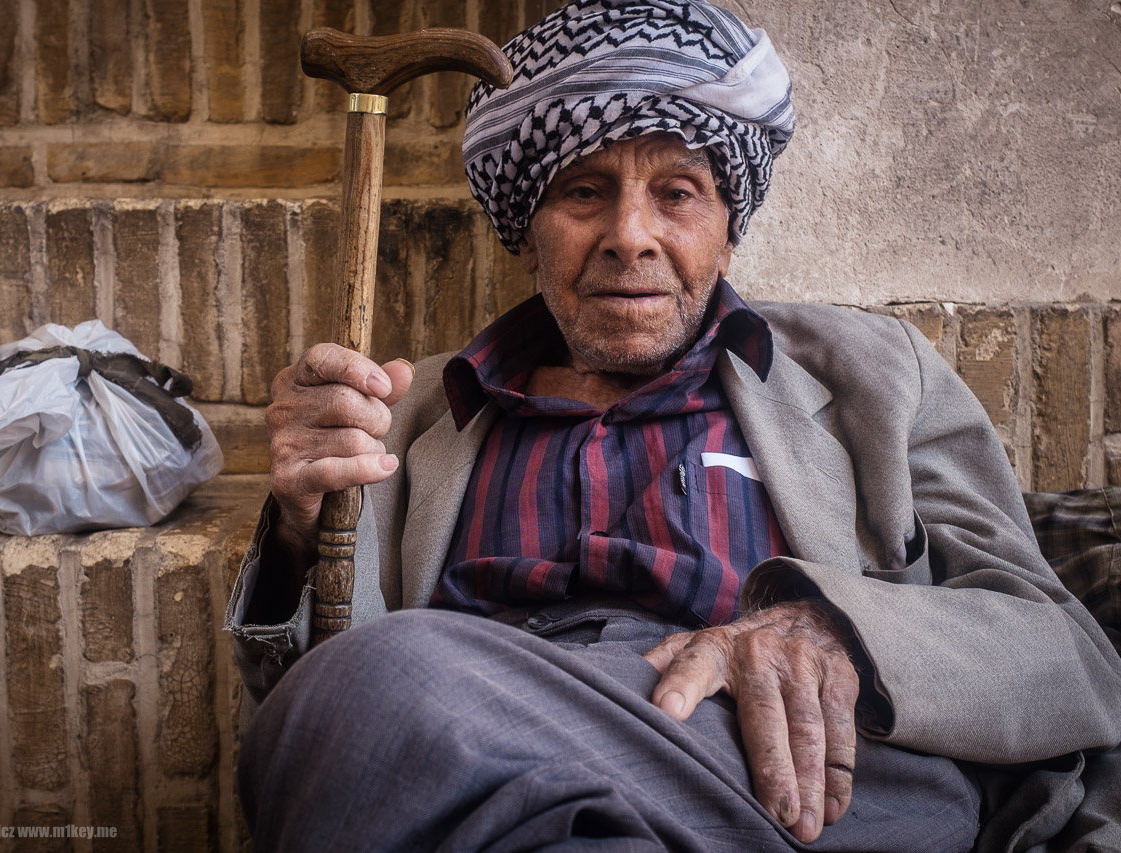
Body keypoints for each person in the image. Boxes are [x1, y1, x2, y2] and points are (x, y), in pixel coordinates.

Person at [226, 2, 1121, 850]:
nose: (630, 234)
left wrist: (829, 628)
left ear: (729, 229)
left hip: (799, 772)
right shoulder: (412, 412)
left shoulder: (875, 375)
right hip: (477, 743)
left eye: (678, 193)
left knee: (374, 687)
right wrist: (306, 533)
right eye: (583, 192)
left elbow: (1068, 659)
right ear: (524, 230)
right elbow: (312, 734)